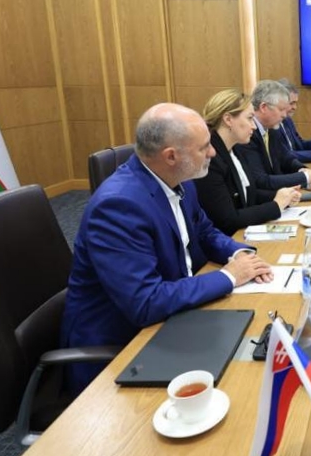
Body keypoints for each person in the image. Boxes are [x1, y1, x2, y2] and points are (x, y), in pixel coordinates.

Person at [61, 103, 274, 392]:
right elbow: (145, 302)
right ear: (171, 156)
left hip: (174, 319)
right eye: (204, 147)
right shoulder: (117, 206)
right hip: (124, 348)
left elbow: (205, 231)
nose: (213, 153)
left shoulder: (179, 179)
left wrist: (241, 254)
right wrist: (229, 276)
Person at [193, 89, 302, 236]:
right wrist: (276, 205)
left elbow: (248, 194)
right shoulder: (211, 159)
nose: (254, 126)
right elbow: (227, 219)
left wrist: (282, 196)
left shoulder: (235, 149)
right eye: (250, 118)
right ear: (228, 119)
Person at [235, 80, 311, 190]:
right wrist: (306, 177)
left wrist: (302, 170)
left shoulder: (272, 129)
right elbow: (261, 181)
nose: (285, 115)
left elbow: (285, 158)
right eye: (281, 109)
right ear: (263, 107)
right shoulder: (247, 135)